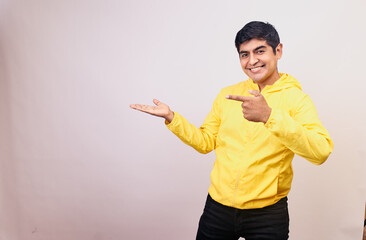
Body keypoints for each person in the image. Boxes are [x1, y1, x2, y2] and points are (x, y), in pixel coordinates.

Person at [130, 21, 333, 240]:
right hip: (218, 209)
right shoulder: (227, 95)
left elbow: (320, 151)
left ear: (278, 51)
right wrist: (172, 118)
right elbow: (205, 142)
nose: (252, 61)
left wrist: (269, 116)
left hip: (268, 214)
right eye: (244, 54)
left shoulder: (297, 100)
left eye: (260, 51)